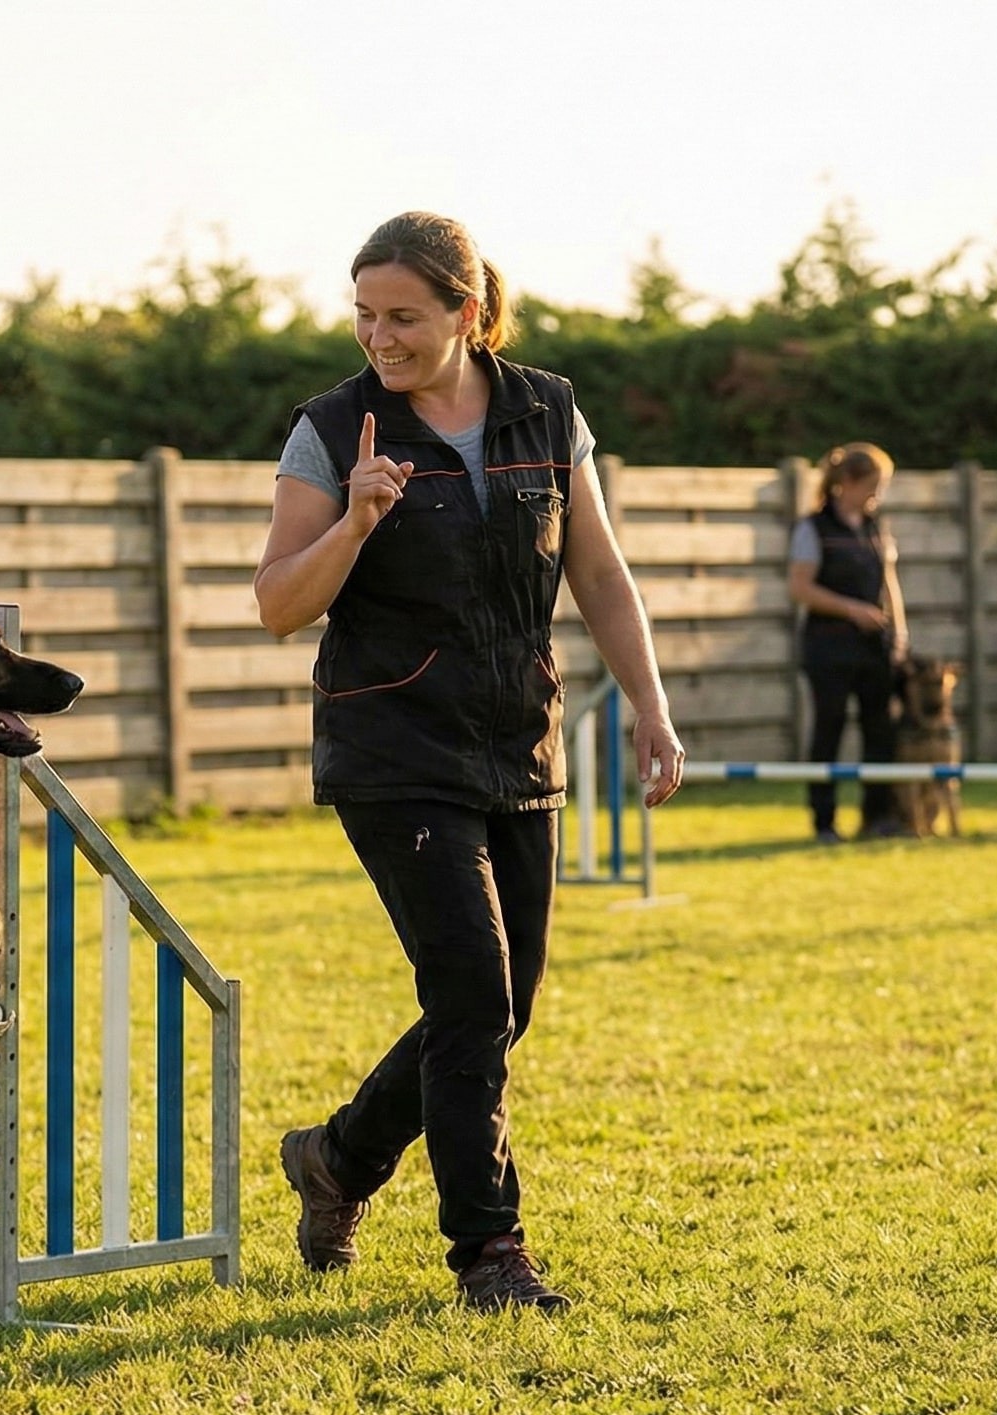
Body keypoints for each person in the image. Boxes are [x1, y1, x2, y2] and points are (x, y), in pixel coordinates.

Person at [254, 212, 685, 1312]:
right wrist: (352, 524)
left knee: (500, 1005)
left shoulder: (547, 408)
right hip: (392, 746)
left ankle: (338, 1158)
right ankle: (489, 1253)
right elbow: (275, 606)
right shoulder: (332, 427)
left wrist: (648, 702)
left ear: (468, 312)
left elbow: (596, 571)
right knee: (470, 993)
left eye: (402, 316)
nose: (377, 338)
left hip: (516, 737)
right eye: (362, 314)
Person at [786, 443, 910, 843]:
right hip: (828, 648)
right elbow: (800, 587)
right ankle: (824, 822)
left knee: (881, 732)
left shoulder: (876, 525)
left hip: (875, 648)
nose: (878, 495)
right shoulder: (813, 527)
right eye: (874, 486)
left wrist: (900, 631)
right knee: (829, 730)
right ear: (848, 483)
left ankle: (879, 817)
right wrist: (852, 609)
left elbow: (889, 581)